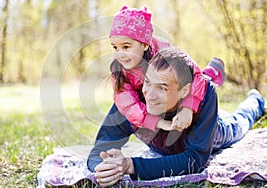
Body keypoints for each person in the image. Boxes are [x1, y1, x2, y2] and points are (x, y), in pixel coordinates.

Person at [87, 47, 265, 187]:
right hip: (168, 140)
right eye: (148, 83)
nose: (150, 95)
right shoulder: (131, 103)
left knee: (240, 122)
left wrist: (131, 165)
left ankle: (255, 100)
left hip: (214, 131)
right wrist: (105, 167)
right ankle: (208, 73)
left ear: (185, 91)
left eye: (162, 88)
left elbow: (194, 161)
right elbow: (100, 148)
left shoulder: (206, 96)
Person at [108, 5, 226, 133]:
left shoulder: (164, 52)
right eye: (115, 47)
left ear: (145, 44)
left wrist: (188, 108)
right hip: (156, 98)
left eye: (126, 47)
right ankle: (212, 71)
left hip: (172, 90)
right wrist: (161, 123)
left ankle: (212, 72)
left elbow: (195, 75)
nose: (119, 54)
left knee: (202, 82)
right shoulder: (119, 70)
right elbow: (129, 106)